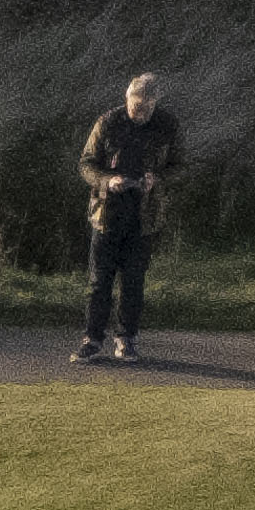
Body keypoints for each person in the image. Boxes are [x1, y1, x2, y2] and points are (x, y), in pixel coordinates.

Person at [78, 70, 180, 363]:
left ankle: (126, 340)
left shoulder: (168, 126)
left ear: (155, 103)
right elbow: (86, 164)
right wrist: (107, 181)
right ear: (127, 100)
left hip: (144, 217)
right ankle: (92, 339)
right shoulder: (107, 122)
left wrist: (156, 179)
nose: (140, 114)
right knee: (99, 282)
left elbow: (180, 166)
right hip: (107, 214)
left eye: (146, 109)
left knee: (133, 282)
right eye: (136, 107)